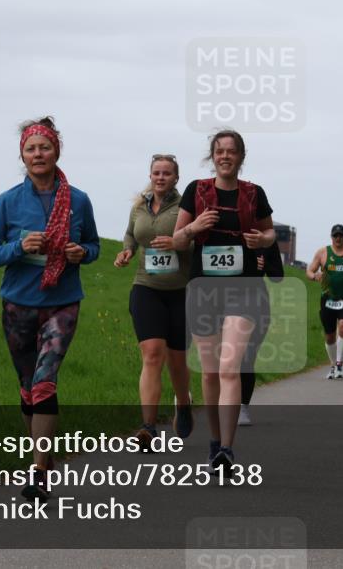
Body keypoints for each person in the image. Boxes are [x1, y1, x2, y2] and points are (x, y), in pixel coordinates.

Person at [0, 116, 100, 501]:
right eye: (31, 149)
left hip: (62, 304)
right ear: (22, 156)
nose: (38, 154)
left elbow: (94, 246)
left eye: (44, 147)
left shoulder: (78, 200)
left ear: (56, 151)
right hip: (18, 304)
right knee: (28, 388)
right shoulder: (8, 201)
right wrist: (19, 247)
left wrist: (82, 253)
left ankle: (38, 471)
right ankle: (40, 461)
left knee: (45, 380)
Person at [172, 129, 275, 470]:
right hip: (204, 291)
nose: (225, 156)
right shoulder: (196, 191)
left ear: (240, 157)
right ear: (212, 156)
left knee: (230, 367)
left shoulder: (253, 193)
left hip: (244, 289)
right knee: (211, 371)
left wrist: (263, 240)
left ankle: (227, 450)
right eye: (219, 151)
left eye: (231, 151)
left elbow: (270, 231)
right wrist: (195, 226)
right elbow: (178, 241)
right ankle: (215, 441)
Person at [114, 154, 193, 449]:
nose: (160, 177)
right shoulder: (139, 206)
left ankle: (183, 403)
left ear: (176, 178)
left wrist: (178, 242)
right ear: (151, 175)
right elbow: (130, 234)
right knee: (151, 353)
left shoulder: (187, 207)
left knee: (176, 359)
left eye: (167, 173)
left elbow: (201, 239)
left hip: (180, 291)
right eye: (156, 173)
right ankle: (147, 427)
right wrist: (127, 251)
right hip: (146, 287)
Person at [307, 224, 343, 380]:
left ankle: (339, 364)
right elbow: (309, 270)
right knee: (329, 336)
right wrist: (315, 276)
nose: (338, 238)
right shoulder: (322, 253)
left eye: (341, 235)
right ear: (331, 237)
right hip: (328, 298)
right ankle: (333, 365)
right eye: (335, 236)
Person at [239, 241, 284, 426]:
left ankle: (242, 407)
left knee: (246, 357)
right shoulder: (224, 232)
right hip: (220, 296)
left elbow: (277, 276)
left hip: (256, 302)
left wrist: (264, 264)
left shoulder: (266, 240)